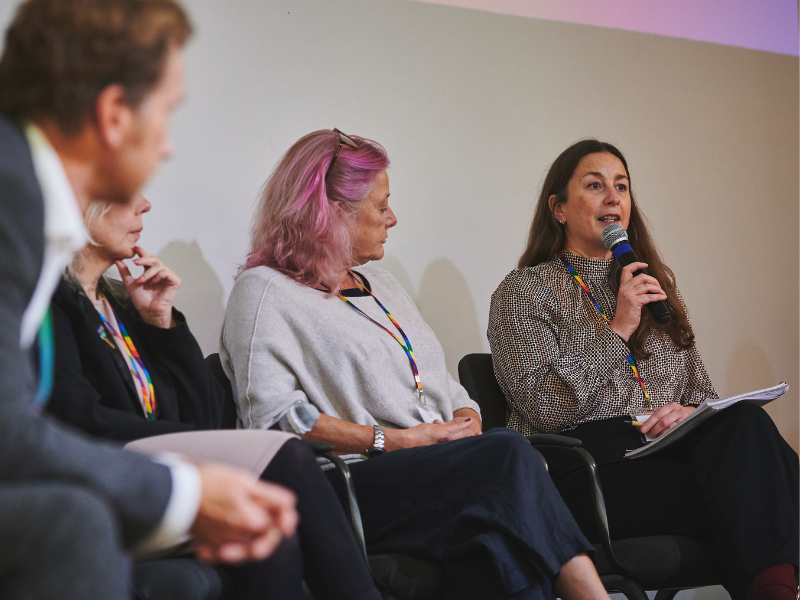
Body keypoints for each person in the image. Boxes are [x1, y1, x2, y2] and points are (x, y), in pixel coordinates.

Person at [221, 128, 612, 600]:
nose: (393, 218)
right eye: (380, 206)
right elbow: (273, 418)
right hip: (350, 485)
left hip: (436, 471)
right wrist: (397, 441)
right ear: (331, 214)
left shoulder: (382, 286)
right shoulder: (266, 292)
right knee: (509, 452)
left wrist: (466, 419)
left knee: (498, 546)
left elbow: (446, 387)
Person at [0, 1, 296, 598]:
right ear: (113, 114)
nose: (166, 149)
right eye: (167, 114)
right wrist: (182, 494)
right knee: (72, 525)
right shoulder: (12, 195)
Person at [487, 139, 800, 600]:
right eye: (595, 185)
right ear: (558, 208)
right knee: (768, 488)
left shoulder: (651, 285)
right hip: (585, 469)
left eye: (622, 186)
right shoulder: (522, 291)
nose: (613, 197)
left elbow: (704, 394)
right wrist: (615, 330)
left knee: (746, 427)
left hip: (670, 454)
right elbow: (543, 408)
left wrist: (686, 413)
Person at [46, 192, 382, 600]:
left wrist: (161, 324)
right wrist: (201, 462)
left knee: (266, 526)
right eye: (127, 191)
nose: (147, 204)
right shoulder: (42, 302)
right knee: (285, 454)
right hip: (97, 481)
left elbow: (203, 419)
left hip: (153, 475)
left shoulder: (120, 302)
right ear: (77, 202)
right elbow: (78, 417)